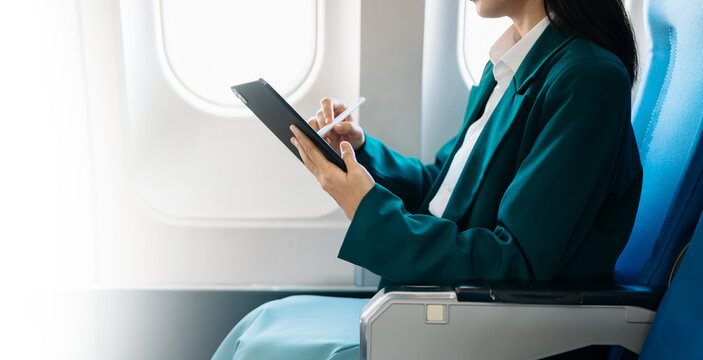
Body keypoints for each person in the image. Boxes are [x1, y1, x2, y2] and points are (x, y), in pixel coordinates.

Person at [213, 0, 641, 358]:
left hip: (486, 324)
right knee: (261, 322)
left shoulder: (589, 79)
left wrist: (368, 209)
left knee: (264, 346)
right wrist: (360, 152)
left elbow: (516, 261)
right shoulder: (507, 65)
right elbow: (446, 188)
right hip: (440, 303)